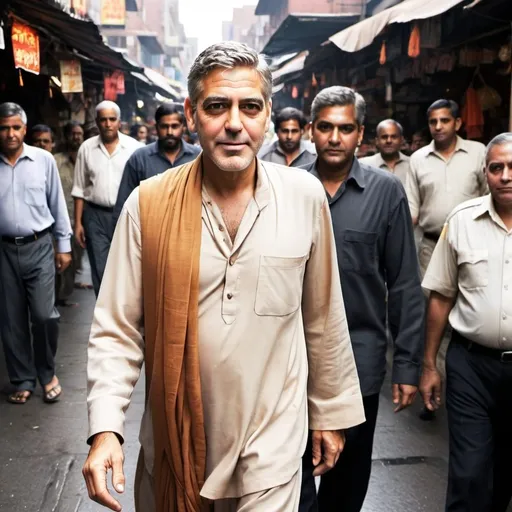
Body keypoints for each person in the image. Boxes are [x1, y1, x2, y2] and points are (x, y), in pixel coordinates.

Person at [82, 42, 365, 512]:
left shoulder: (303, 196)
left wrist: (330, 414)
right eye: (217, 106)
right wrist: (106, 428)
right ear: (192, 113)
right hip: (174, 447)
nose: (235, 123)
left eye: (250, 106)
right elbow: (117, 329)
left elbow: (323, 318)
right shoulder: (148, 205)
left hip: (271, 451)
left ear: (267, 114)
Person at [300, 87, 424, 512]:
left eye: (346, 129)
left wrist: (408, 364)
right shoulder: (285, 185)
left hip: (359, 362)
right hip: (290, 361)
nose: (335, 137)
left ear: (361, 135)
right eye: (327, 127)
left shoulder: (386, 192)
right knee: (289, 481)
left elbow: (404, 282)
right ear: (311, 131)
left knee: (347, 482)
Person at [420, 133, 512, 512]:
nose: (506, 176)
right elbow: (441, 297)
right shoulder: (462, 221)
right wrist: (428, 365)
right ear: (485, 173)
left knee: (505, 472)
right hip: (470, 366)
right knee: (469, 472)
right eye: (497, 168)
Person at [0, 102, 72, 404]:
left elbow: (58, 203)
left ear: (24, 129)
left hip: (40, 246)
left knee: (44, 316)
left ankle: (46, 373)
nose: (10, 133)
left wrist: (63, 246)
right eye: (4, 128)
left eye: (15, 127)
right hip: (4, 250)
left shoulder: (43, 160)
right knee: (11, 319)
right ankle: (23, 378)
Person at [406, 99, 488, 279]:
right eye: (433, 122)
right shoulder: (418, 159)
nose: (438, 126)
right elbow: (411, 208)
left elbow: (488, 197)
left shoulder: (478, 152)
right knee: (430, 300)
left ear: (457, 123)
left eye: (444, 120)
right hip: (431, 246)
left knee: (470, 297)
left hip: (472, 244)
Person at [71, 101, 142, 296]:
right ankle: (104, 318)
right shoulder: (86, 148)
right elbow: (79, 188)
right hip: (95, 216)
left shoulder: (134, 148)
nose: (108, 124)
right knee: (100, 269)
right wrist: (78, 224)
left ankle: (125, 315)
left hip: (127, 214)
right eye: (103, 120)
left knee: (128, 267)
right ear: (97, 122)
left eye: (112, 119)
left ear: (119, 122)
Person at [112, 104, 201, 227]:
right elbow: (123, 204)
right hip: (149, 232)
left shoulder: (198, 157)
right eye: (164, 126)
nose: (169, 132)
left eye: (174, 126)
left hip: (190, 229)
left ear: (183, 128)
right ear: (156, 128)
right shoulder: (140, 159)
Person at [53, 121, 90, 305]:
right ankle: (58, 296)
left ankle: (65, 291)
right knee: (60, 254)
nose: (76, 137)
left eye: (79, 134)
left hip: (81, 217)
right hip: (60, 216)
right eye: (73, 134)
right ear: (66, 137)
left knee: (76, 256)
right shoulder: (56, 160)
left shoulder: (86, 158)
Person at [359, 119, 410, 186]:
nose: (389, 141)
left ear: (401, 140)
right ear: (377, 141)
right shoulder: (363, 165)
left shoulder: (412, 164)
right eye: (384, 137)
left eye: (394, 137)